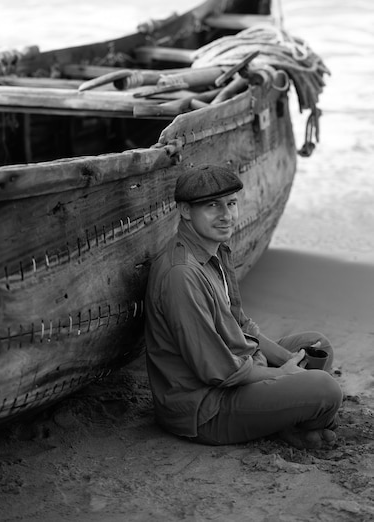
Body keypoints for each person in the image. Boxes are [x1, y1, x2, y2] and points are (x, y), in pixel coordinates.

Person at [144, 164, 343, 449]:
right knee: (325, 389)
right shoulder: (182, 275)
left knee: (317, 346)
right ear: (186, 211)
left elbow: (240, 325)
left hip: (235, 369)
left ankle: (284, 419)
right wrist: (283, 374)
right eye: (212, 206)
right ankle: (287, 422)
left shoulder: (215, 250)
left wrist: (290, 359)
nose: (226, 216)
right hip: (206, 408)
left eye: (231, 204)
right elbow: (218, 371)